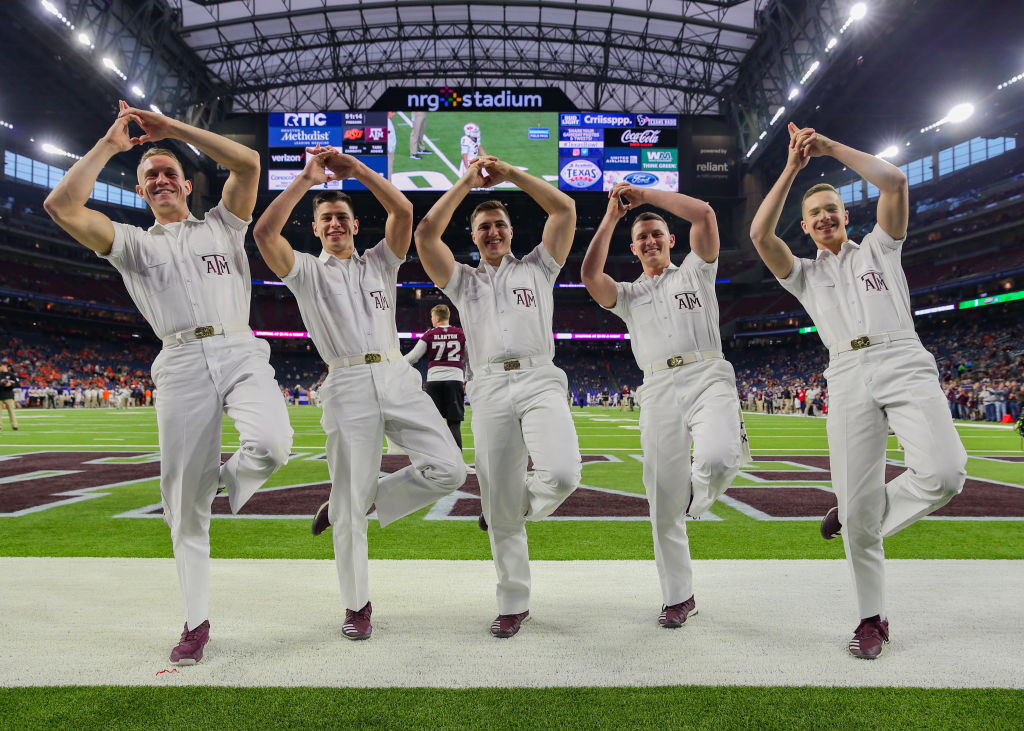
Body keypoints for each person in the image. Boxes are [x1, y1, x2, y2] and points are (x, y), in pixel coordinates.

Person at [43, 100, 293, 665]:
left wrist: (171, 129)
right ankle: (196, 622)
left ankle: (223, 481)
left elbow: (250, 165)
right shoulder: (132, 243)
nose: (160, 180)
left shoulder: (224, 225)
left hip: (238, 346)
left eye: (169, 173)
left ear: (188, 184)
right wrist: (111, 144)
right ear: (140, 191)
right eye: (150, 175)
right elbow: (60, 205)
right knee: (183, 508)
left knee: (274, 445)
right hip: (178, 361)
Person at [749, 122, 967, 659]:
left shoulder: (880, 249)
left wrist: (827, 149)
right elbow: (759, 236)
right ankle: (872, 619)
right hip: (845, 373)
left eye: (833, 209)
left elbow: (893, 182)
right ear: (805, 227)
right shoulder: (801, 274)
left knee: (945, 473)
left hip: (901, 357)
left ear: (846, 217)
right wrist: (792, 168)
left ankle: (855, 512)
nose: (824, 217)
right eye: (814, 214)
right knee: (861, 507)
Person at [253, 145, 466, 641]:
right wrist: (307, 180)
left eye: (342, 217)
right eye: (326, 218)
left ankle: (359, 500)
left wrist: (357, 170)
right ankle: (356, 606)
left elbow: (404, 211)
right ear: (316, 228)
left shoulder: (379, 263)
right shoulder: (305, 271)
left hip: (395, 374)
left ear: (354, 224)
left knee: (451, 469)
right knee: (350, 509)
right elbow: (264, 233)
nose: (335, 224)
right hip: (346, 381)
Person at [414, 155, 582, 638]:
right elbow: (426, 234)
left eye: (500, 225)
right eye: (484, 226)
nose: (493, 232)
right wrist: (467, 182)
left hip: (538, 378)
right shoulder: (461, 281)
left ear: (511, 230)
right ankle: (513, 603)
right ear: (473, 235)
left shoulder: (539, 267)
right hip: (486, 385)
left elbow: (565, 211)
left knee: (564, 472)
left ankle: (507, 508)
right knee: (499, 496)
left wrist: (513, 175)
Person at [582, 183, 747, 629]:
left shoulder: (696, 271)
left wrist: (646, 198)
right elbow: (590, 276)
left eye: (657, 234)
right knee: (660, 502)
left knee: (716, 457)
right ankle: (679, 597)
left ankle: (693, 499)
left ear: (671, 240)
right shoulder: (629, 295)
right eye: (643, 238)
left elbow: (706, 215)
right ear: (633, 248)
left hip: (707, 372)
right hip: (656, 387)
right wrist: (613, 218)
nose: (651, 240)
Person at [404, 304, 468, 449]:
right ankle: (458, 463)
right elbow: (469, 359)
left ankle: (436, 462)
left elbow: (413, 357)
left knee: (434, 424)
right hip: (454, 379)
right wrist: (467, 379)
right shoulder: (460, 333)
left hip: (434, 381)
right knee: (454, 423)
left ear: (437, 318)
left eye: (432, 317)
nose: (431, 319)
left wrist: (397, 364)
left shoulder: (430, 334)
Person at [0, 364, 19, 431]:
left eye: (0, 366)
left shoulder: (11, 375)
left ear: (4, 366)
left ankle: (14, 426)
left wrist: (10, 384)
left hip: (9, 396)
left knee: (11, 412)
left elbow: (17, 384)